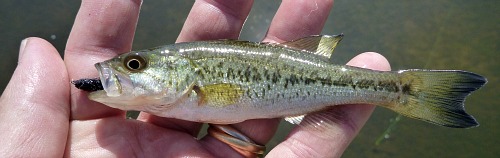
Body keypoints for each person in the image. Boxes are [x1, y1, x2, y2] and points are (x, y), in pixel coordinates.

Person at [0, 0, 390, 157]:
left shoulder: (192, 91)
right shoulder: (176, 94)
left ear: (187, 75)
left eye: (135, 65)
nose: (121, 72)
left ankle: (397, 91)